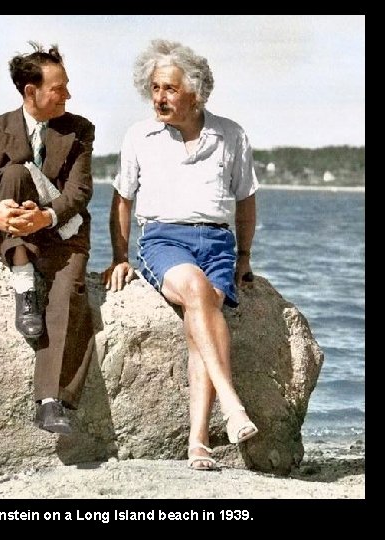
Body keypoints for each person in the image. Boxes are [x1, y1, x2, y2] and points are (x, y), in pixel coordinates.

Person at [103, 39, 259, 470]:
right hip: (162, 240)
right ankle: (231, 404)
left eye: (169, 89)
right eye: (155, 88)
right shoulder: (140, 136)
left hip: (217, 241)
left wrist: (244, 257)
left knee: (203, 311)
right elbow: (122, 199)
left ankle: (197, 443)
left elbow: (246, 200)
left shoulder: (231, 134)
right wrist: (120, 257)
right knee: (194, 289)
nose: (159, 97)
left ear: (196, 92)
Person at [0, 42, 95, 435]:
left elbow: (79, 192)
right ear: (31, 92)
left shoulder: (79, 130)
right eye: (59, 88)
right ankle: (23, 283)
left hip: (63, 231)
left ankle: (50, 400)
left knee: (67, 298)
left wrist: (46, 215)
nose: (67, 95)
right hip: (11, 233)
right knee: (14, 174)